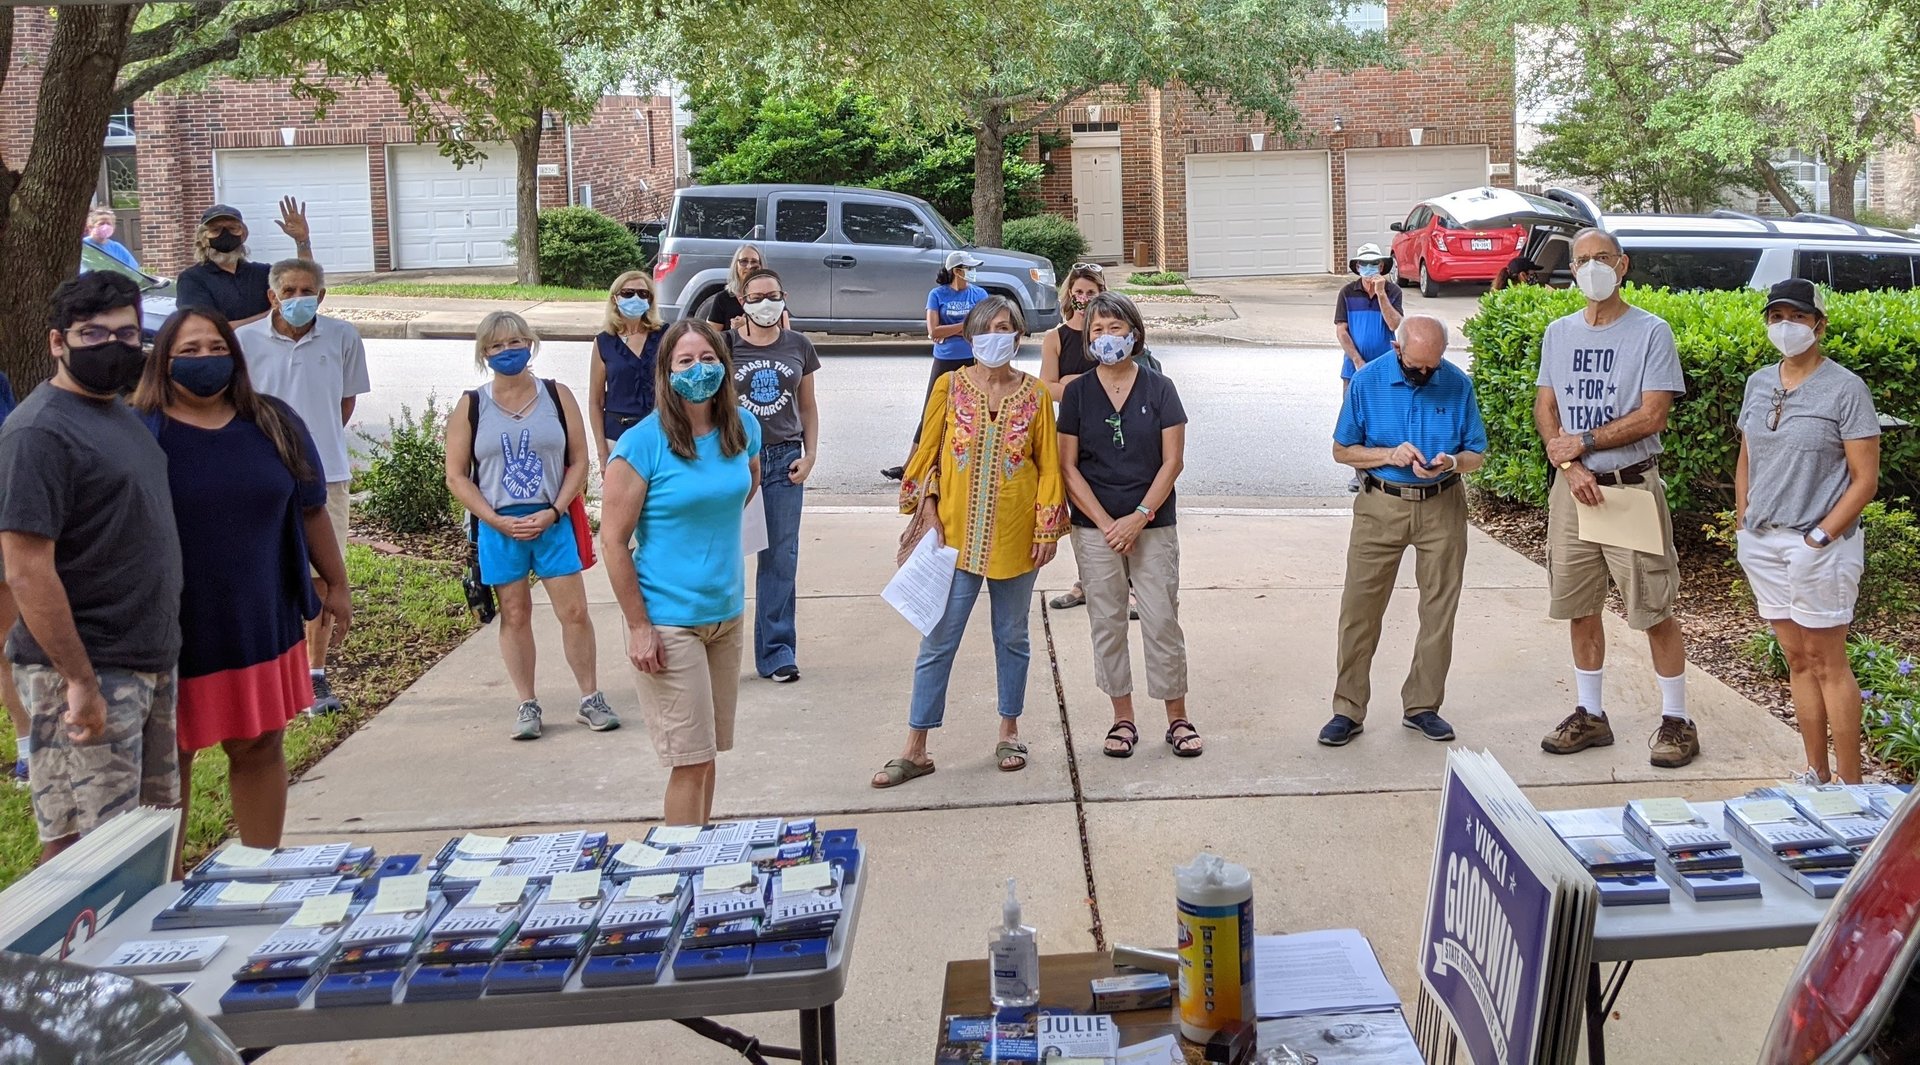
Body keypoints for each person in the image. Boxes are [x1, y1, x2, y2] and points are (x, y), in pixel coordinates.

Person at [133, 308, 352, 850]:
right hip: (172, 629)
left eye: (216, 347)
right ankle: (168, 889)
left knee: (259, 746)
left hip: (261, 616)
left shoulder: (273, 422)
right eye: (189, 351)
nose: (206, 359)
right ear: (162, 361)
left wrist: (337, 585)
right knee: (167, 764)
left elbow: (311, 510)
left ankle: (262, 870)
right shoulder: (139, 431)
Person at [0, 272, 181, 862]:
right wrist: (77, 679)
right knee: (88, 854)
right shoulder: (38, 432)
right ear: (58, 342)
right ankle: (74, 959)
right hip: (84, 669)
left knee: (148, 845)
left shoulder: (117, 414)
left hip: (145, 660)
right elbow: (26, 569)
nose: (113, 347)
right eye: (92, 334)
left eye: (126, 334)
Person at [872, 296, 1067, 788]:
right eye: (986, 328)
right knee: (939, 640)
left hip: (1018, 534)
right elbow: (928, 454)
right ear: (971, 336)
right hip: (955, 537)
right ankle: (915, 747)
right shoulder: (949, 386)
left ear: (1018, 335)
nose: (996, 336)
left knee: (1013, 637)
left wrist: (1047, 527)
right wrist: (929, 506)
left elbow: (1048, 464)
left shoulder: (1035, 395)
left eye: (1005, 327)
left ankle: (1009, 731)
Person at [1535, 228, 1696, 768]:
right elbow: (1546, 407)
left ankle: (1676, 720)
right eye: (1581, 260)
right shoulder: (1558, 333)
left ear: (1622, 265)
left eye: (1601, 258)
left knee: (1652, 607)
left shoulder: (1651, 332)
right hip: (1573, 491)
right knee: (1579, 607)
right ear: (1572, 271)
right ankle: (1590, 714)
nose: (1591, 267)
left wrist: (1584, 442)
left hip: (1629, 489)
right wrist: (1569, 462)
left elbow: (1653, 415)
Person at [600, 320, 762, 826]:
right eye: (685, 361)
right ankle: (680, 870)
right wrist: (639, 626)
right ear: (666, 372)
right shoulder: (641, 444)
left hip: (726, 614)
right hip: (669, 622)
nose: (699, 370)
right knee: (688, 764)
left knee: (708, 754)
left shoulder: (744, 428)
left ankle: (705, 858)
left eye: (709, 359)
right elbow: (613, 541)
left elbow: (745, 489)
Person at [1318, 315, 1488, 747]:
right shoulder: (1367, 381)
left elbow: (1477, 454)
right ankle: (1347, 709)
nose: (1427, 374)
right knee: (1360, 609)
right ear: (1397, 349)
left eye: (1434, 365)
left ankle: (1423, 706)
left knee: (1438, 610)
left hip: (1442, 505)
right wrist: (1388, 454)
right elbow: (1341, 450)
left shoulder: (1456, 383)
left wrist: (1451, 462)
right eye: (1417, 366)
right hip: (1381, 504)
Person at [1735, 279, 1880, 784]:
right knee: (1796, 659)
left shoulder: (1846, 388)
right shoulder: (1758, 382)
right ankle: (1816, 774)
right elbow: (1747, 456)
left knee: (1827, 661)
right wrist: (1742, 522)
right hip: (1763, 540)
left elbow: (1865, 480)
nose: (1785, 326)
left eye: (1797, 317)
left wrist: (1821, 536)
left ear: (1819, 324)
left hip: (1819, 545)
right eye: (1776, 316)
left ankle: (1852, 787)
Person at [444, 312, 613, 741]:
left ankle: (590, 697)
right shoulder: (473, 404)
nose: (508, 350)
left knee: (574, 612)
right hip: (499, 526)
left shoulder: (556, 395)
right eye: (497, 345)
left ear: (531, 343)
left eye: (516, 341)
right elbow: (457, 475)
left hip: (551, 519)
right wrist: (494, 518)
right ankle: (527, 703)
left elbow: (579, 461)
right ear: (484, 353)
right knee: (514, 614)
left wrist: (556, 510)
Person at [1057, 293, 1201, 759]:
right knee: (1107, 622)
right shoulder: (1077, 393)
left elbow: (1172, 461)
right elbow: (1068, 467)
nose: (1105, 337)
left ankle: (1177, 718)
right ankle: (1122, 718)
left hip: (1151, 524)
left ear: (1134, 333)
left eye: (1114, 328)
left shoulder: (1160, 388)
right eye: (1096, 331)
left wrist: (1138, 517)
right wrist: (1105, 524)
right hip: (1094, 528)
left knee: (1161, 619)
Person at [236, 259, 370, 716]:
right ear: (272, 296)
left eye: (307, 290)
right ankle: (272, 671)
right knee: (265, 576)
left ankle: (315, 676)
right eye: (289, 290)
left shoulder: (343, 338)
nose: (299, 298)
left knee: (323, 578)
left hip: (327, 475)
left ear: (322, 295)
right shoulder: (244, 342)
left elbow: (345, 402)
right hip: (260, 479)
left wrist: (314, 448)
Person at [726, 268, 821, 682]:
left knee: (780, 558)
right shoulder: (725, 346)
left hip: (784, 460)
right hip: (736, 459)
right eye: (756, 296)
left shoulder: (798, 345)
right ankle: (714, 647)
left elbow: (809, 406)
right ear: (741, 302)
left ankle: (777, 651)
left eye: (773, 295)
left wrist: (811, 453)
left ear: (784, 297)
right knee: (724, 555)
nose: (766, 303)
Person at [882, 250, 988, 481]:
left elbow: (983, 326)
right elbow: (934, 331)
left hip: (973, 358)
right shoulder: (937, 294)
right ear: (955, 270)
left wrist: (952, 330)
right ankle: (909, 465)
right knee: (931, 409)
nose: (970, 272)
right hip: (945, 358)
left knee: (973, 410)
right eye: (967, 268)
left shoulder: (979, 294)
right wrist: (965, 326)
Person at [174, 200, 311, 327]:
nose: (225, 234)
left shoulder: (263, 273)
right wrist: (270, 316)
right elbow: (208, 330)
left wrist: (302, 242)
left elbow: (306, 283)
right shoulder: (192, 279)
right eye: (215, 230)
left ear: (244, 234)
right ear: (203, 239)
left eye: (233, 228)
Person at [1334, 243, 1404, 492]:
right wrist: (1356, 361)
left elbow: (1396, 323)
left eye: (1374, 264)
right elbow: (1342, 330)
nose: (1369, 268)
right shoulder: (1347, 292)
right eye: (1364, 264)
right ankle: (1360, 473)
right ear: (1357, 266)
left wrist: (1382, 294)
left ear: (1382, 266)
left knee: (1385, 420)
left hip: (1386, 369)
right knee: (1356, 422)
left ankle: (1382, 470)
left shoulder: (1393, 291)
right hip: (1354, 368)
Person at [592, 270, 663, 467]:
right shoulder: (604, 342)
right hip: (618, 435)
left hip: (660, 432)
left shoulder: (665, 336)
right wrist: (601, 451)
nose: (636, 298)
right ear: (615, 298)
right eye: (628, 293)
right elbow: (595, 402)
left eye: (643, 294)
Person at [705, 244, 764, 331]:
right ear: (736, 265)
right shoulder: (722, 299)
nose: (749, 266)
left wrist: (748, 325)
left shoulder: (771, 296)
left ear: (760, 266)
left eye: (754, 262)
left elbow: (784, 333)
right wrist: (733, 332)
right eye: (744, 261)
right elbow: (711, 337)